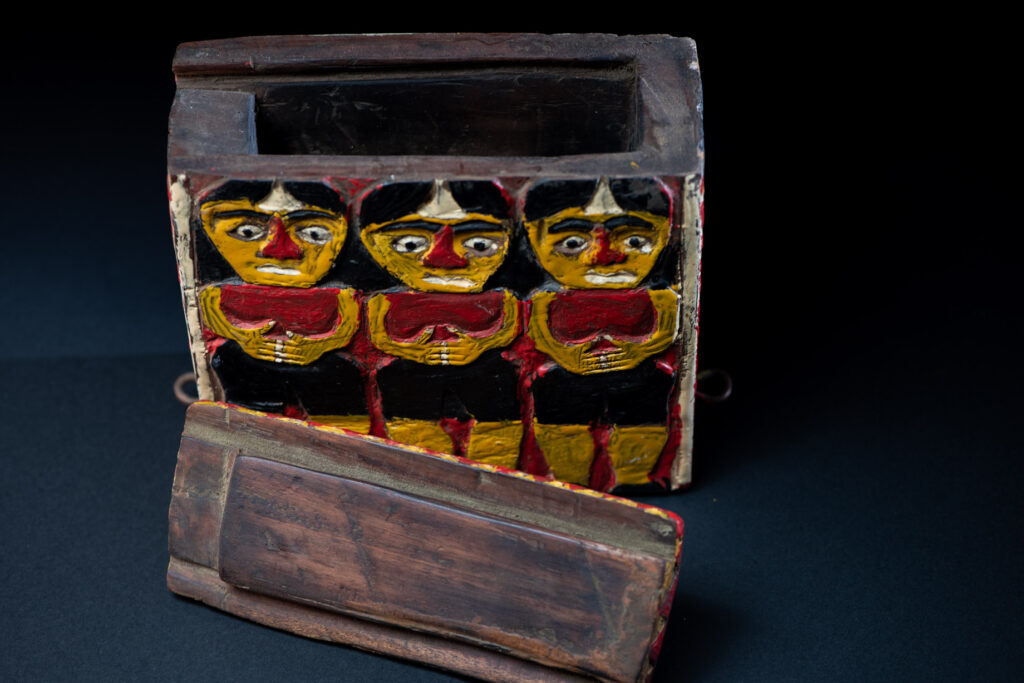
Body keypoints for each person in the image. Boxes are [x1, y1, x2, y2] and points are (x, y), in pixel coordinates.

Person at [523, 177, 679, 489]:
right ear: (533, 235)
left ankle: (635, 476)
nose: (603, 256)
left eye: (633, 241)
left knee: (648, 394)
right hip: (570, 373)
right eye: (572, 242)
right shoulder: (545, 300)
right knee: (554, 390)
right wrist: (573, 358)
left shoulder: (660, 298)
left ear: (663, 234)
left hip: (635, 372)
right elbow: (540, 336)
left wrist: (635, 352)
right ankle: (569, 478)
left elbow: (666, 333)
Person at [358, 179, 521, 466]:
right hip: (412, 374)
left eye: (478, 243)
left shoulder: (503, 298)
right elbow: (380, 335)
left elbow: (508, 326)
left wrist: (477, 346)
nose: (445, 260)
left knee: (499, 395)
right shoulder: (382, 302)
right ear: (371, 242)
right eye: (410, 243)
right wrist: (415, 350)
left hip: (483, 371)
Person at [196, 180, 368, 432]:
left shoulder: (344, 295)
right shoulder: (217, 294)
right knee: (231, 362)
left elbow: (350, 322)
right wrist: (246, 339)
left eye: (314, 233)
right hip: (251, 368)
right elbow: (212, 312)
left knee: (340, 376)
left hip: (326, 371)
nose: (280, 250)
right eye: (246, 231)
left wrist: (316, 346)